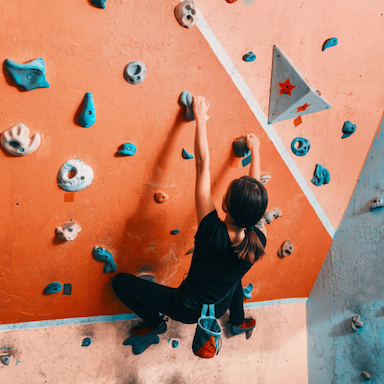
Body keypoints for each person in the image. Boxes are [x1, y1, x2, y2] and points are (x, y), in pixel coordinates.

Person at [112, 95, 268, 346]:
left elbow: (201, 164)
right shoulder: (258, 240)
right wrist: (256, 152)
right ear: (258, 215)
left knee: (120, 283)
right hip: (219, 307)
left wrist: (201, 119)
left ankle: (155, 322)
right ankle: (237, 321)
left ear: (225, 204)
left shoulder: (210, 231)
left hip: (185, 307)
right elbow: (255, 194)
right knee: (233, 274)